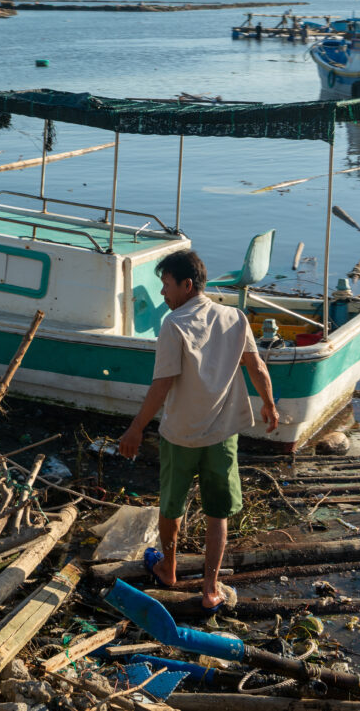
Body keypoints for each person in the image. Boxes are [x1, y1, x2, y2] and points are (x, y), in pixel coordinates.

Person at [117, 248, 279, 610]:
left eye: (167, 286)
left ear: (187, 285)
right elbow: (257, 368)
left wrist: (135, 428)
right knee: (216, 513)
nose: (163, 294)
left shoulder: (174, 325)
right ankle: (210, 589)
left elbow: (162, 385)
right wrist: (269, 404)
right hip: (222, 436)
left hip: (180, 435)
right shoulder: (235, 317)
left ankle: (169, 568)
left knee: (171, 507)